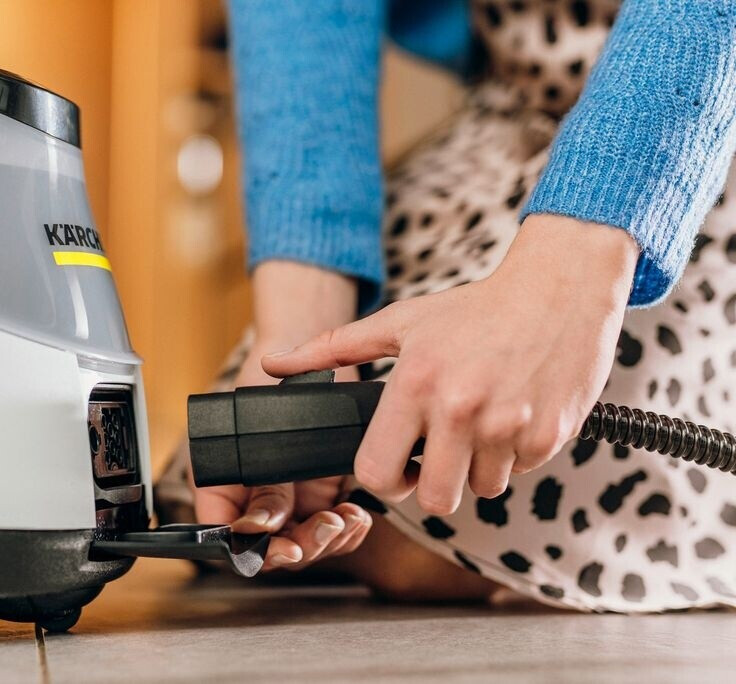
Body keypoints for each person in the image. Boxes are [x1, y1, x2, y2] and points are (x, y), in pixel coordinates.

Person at [155, 0, 736, 611]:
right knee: (239, 495)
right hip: (507, 127)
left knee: (444, 526)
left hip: (697, 120)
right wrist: (301, 328)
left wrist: (568, 277)